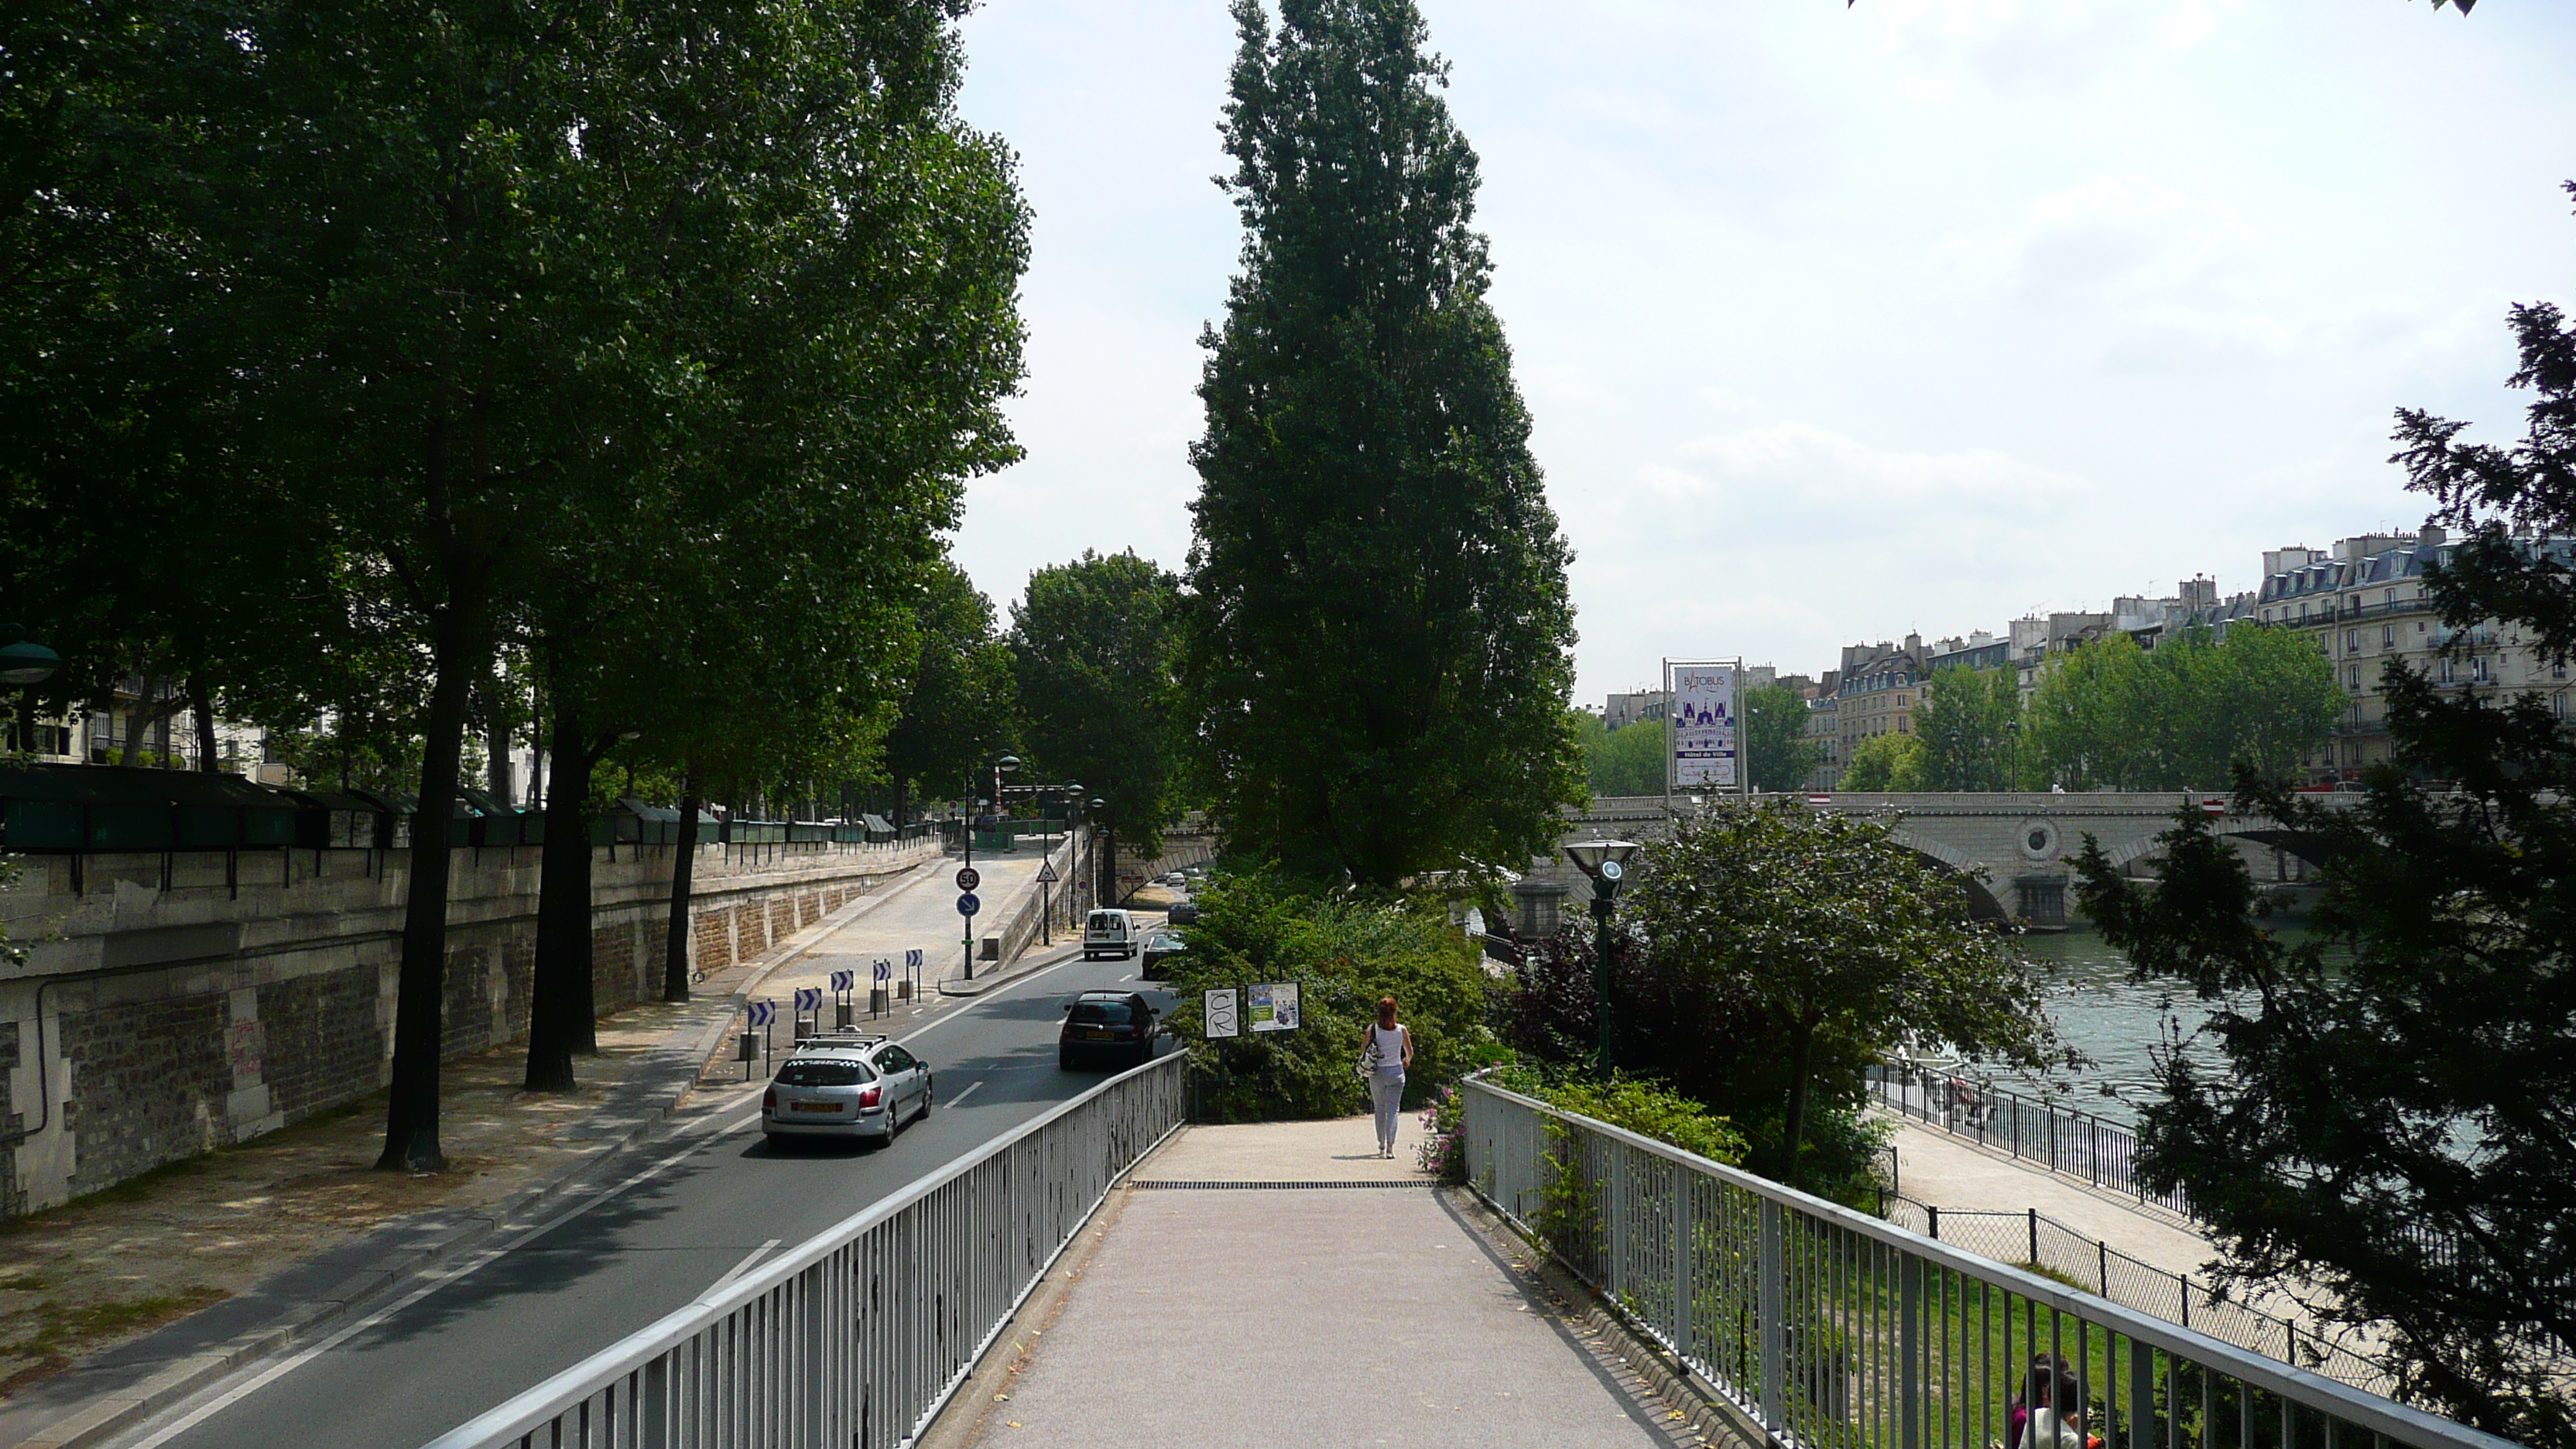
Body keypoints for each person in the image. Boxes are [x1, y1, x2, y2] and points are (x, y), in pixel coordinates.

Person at [1363, 996, 1414, 1159]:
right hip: (1396, 1072)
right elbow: (1410, 1052)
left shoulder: (1373, 1029)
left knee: (1379, 1108)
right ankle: (1390, 1148)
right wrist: (1406, 1061)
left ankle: (1381, 1144)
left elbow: (1364, 1050)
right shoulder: (1401, 1030)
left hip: (1377, 1072)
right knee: (1393, 1110)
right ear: (1395, 1012)